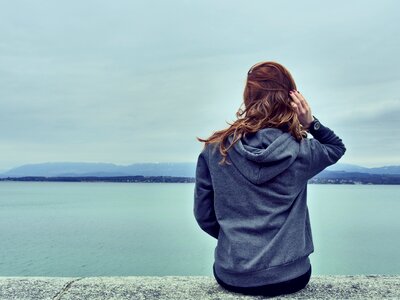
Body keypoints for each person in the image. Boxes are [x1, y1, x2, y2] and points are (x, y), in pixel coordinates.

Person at [193, 61, 346, 297]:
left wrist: (235, 240)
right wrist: (310, 123)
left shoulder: (216, 150)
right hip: (290, 277)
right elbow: (335, 147)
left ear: (247, 97)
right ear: (291, 99)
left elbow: (204, 215)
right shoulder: (301, 150)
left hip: (233, 276)